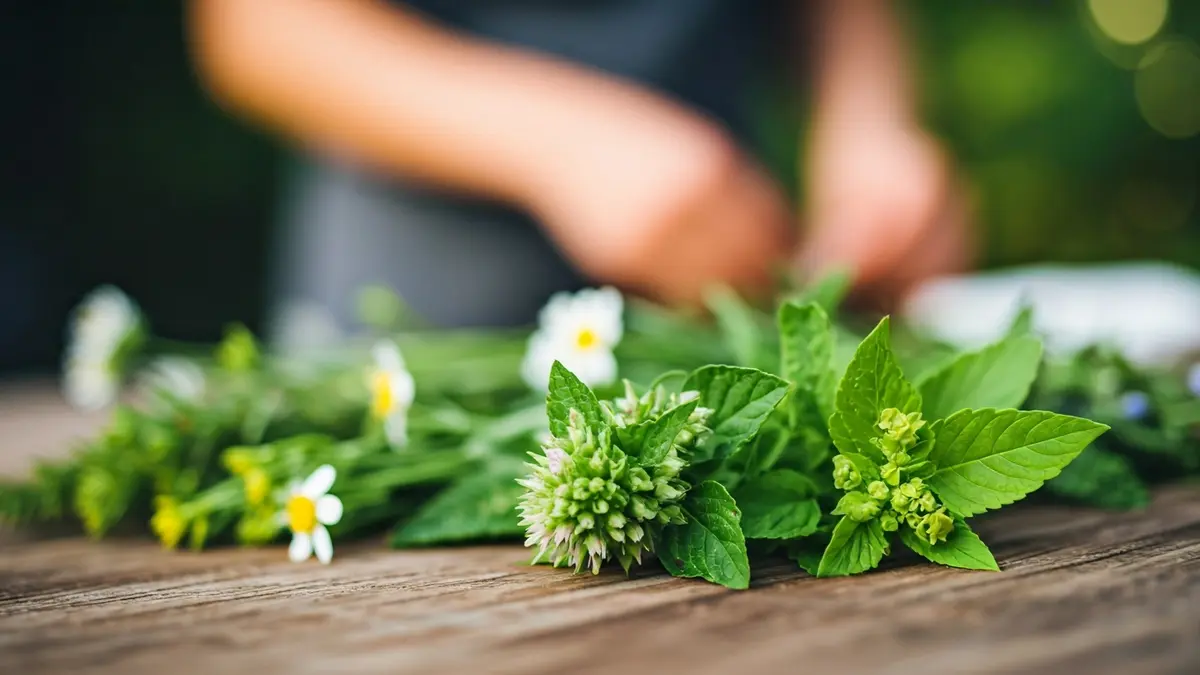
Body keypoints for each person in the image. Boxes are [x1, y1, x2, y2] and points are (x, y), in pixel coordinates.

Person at [187, 0, 972, 334]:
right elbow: (256, 25)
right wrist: (566, 145)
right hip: (419, 344)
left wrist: (868, 128)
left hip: (721, 322)